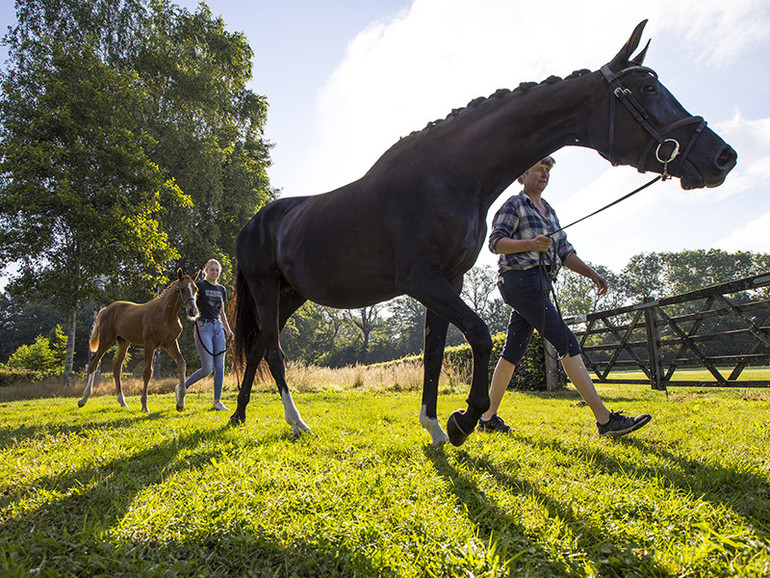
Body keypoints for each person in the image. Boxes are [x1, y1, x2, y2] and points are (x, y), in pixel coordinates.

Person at [479, 156, 651, 436]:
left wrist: (592, 273)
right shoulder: (514, 204)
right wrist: (531, 244)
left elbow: (565, 252)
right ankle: (605, 420)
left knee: (513, 351)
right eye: (539, 169)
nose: (544, 174)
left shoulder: (550, 212)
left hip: (539, 284)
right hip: (519, 281)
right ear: (523, 174)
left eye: (548, 170)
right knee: (567, 342)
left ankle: (487, 418)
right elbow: (496, 243)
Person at [185, 259, 233, 410]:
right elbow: (190, 301)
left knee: (220, 366)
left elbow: (222, 312)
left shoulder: (221, 289)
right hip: (203, 326)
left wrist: (228, 330)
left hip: (218, 328)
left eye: (217, 270)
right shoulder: (199, 286)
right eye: (212, 269)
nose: (215, 273)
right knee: (207, 368)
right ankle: (182, 387)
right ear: (206, 270)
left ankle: (217, 401)